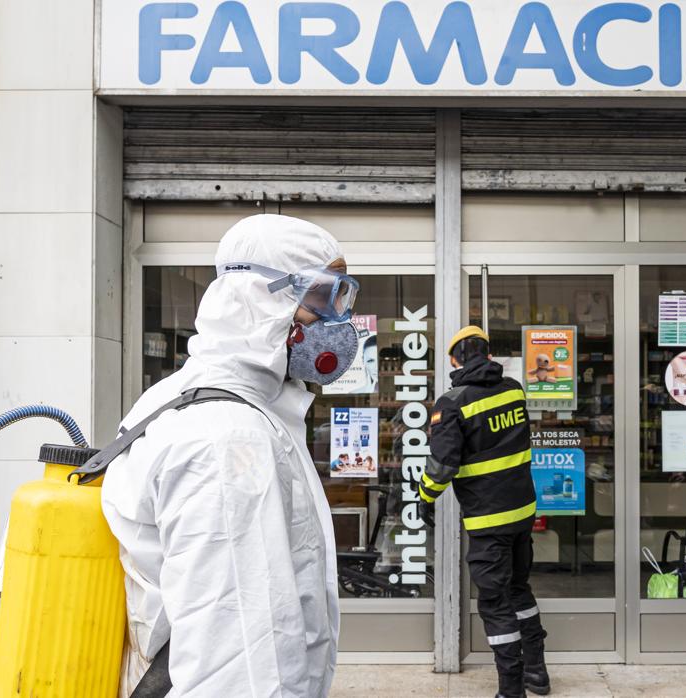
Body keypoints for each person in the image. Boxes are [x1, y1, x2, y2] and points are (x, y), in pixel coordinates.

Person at [102, 214, 362, 697]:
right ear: (263, 296)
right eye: (324, 297)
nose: (337, 320)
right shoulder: (228, 440)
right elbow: (240, 665)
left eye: (344, 297)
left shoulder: (192, 400)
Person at [418, 326, 551, 698]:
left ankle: (511, 689)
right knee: (519, 589)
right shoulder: (514, 390)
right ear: (488, 355)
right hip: (522, 511)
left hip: (487, 520)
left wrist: (424, 498)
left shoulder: (452, 403)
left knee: (494, 602)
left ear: (454, 359)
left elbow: (443, 466)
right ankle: (537, 673)